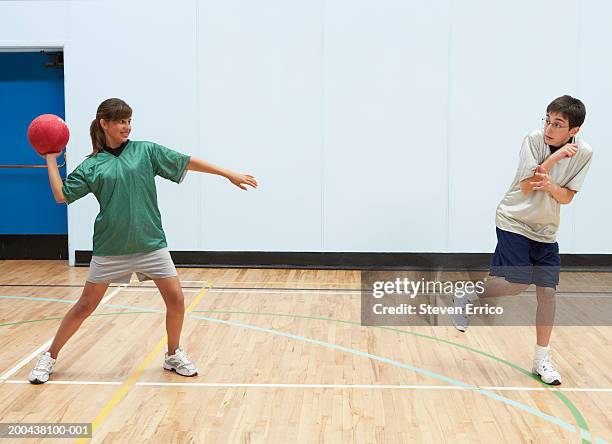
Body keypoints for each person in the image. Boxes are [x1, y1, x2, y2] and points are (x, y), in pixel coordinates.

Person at [29, 98, 257, 384]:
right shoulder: (92, 166)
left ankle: (173, 354)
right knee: (85, 306)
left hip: (150, 242)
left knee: (176, 300)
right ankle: (48, 357)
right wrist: (51, 159)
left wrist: (228, 174)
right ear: (104, 124)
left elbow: (186, 161)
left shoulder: (145, 151)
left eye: (128, 121)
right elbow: (62, 195)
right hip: (111, 247)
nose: (127, 126)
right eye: (121, 121)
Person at [452, 95, 593, 385]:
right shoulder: (533, 139)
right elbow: (527, 186)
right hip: (514, 220)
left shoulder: (584, 153)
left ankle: (542, 360)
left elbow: (566, 197)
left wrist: (552, 184)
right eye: (547, 120)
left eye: (558, 124)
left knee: (548, 293)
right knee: (517, 284)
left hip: (545, 231)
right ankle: (469, 293)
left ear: (574, 131)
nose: (549, 128)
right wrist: (553, 158)